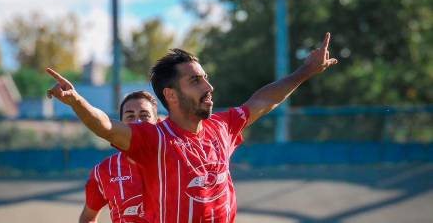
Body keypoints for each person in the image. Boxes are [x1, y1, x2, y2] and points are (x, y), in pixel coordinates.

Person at [47, 32, 337, 222]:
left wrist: (305, 71)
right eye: (196, 81)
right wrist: (76, 101)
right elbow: (107, 127)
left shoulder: (222, 127)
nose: (209, 87)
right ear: (171, 96)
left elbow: (263, 100)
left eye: (205, 78)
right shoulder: (153, 140)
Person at [79, 91, 159, 223]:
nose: (137, 121)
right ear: (120, 124)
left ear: (157, 121)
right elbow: (88, 217)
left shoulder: (177, 160)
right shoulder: (104, 171)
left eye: (144, 116)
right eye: (130, 116)